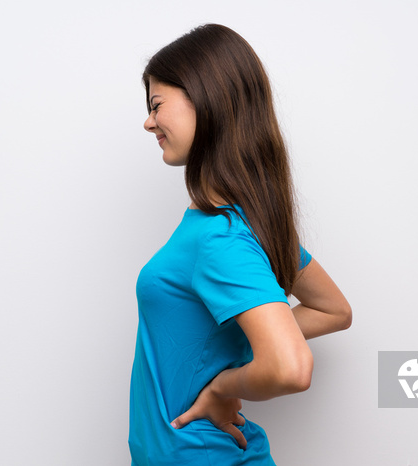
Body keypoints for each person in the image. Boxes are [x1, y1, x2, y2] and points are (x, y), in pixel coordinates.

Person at [129, 23, 352, 465]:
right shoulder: (233, 224)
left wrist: (221, 386)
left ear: (206, 98)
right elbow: (333, 310)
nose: (148, 121)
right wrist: (235, 345)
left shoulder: (219, 237)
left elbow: (291, 367)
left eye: (157, 104)